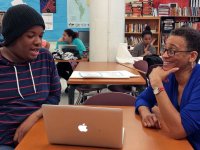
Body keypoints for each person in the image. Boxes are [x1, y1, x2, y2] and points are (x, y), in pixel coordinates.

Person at [0, 4, 61, 149]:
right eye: (30, 35)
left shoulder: (44, 58)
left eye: (40, 35)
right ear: (13, 37)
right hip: (6, 140)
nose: (38, 42)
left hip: (42, 130)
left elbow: (55, 95)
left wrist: (35, 116)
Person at [135, 27, 200, 149]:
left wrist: (157, 84)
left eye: (172, 51)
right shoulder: (168, 76)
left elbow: (179, 131)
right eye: (165, 49)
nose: (164, 55)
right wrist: (146, 113)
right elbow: (142, 99)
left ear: (192, 56)